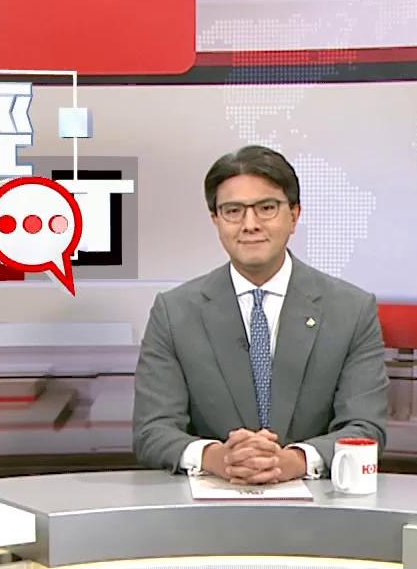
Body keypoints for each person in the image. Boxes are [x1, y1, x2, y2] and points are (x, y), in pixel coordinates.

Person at [133, 145, 388, 484]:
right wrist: (219, 458)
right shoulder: (174, 312)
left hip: (318, 504)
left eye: (266, 208)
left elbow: (366, 428)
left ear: (294, 215)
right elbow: (152, 430)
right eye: (233, 211)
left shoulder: (351, 310)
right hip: (208, 502)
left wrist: (292, 461)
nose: (250, 224)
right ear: (215, 220)